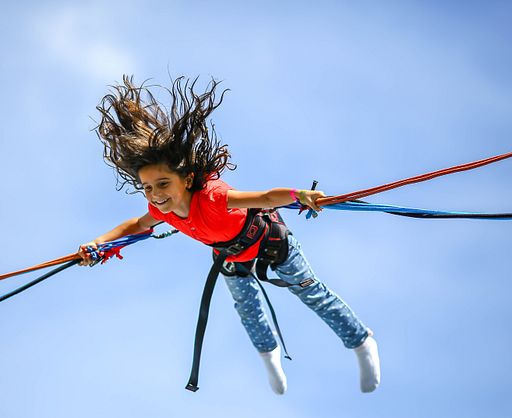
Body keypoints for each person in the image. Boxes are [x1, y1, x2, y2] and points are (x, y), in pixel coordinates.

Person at [77, 76, 380, 394]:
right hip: (231, 256)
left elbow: (264, 198)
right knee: (248, 311)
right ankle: (270, 358)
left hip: (272, 244)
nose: (155, 195)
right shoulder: (162, 212)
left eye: (163, 184)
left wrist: (299, 195)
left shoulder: (214, 196)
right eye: (148, 188)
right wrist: (98, 245)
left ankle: (361, 342)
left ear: (186, 178)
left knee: (312, 295)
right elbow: (136, 226)